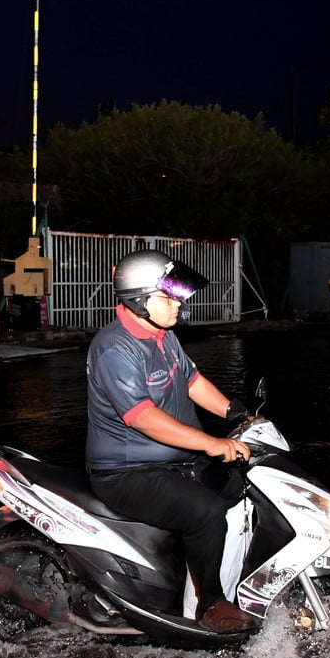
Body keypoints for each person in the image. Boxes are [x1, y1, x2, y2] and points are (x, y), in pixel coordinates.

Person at [85, 248, 257, 634]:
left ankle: (199, 580)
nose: (178, 304)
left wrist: (237, 413)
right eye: (168, 297)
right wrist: (212, 443)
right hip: (127, 472)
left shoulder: (163, 336)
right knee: (206, 512)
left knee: (242, 485)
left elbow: (192, 382)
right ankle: (210, 606)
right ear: (139, 300)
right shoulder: (116, 349)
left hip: (172, 462)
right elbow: (144, 419)